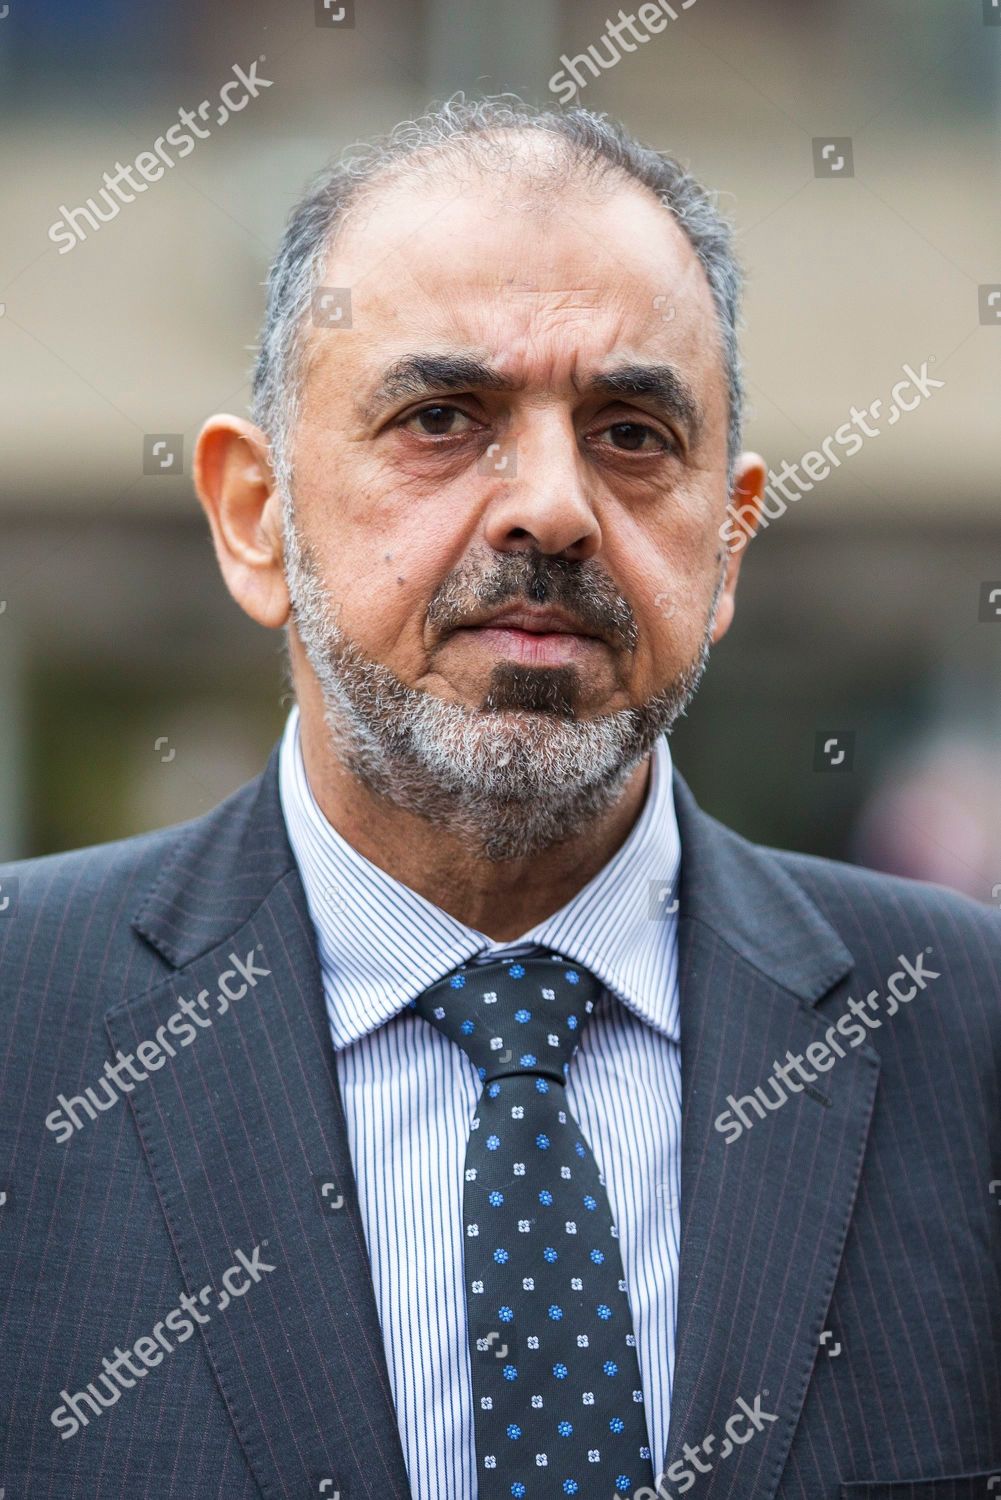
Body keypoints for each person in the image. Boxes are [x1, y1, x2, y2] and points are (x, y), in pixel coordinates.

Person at [1, 95, 998, 1500]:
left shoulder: (965, 1039)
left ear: (726, 546)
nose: (551, 507)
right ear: (253, 513)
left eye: (633, 433)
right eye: (442, 416)